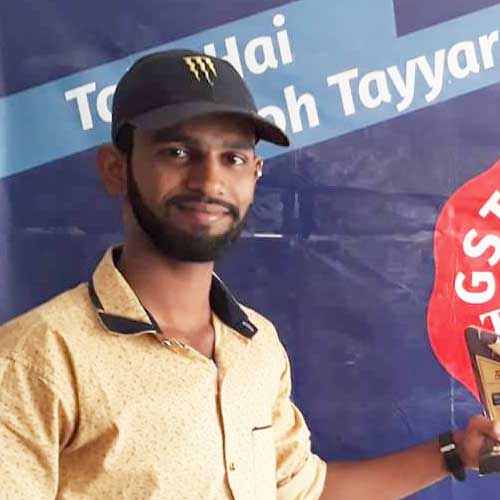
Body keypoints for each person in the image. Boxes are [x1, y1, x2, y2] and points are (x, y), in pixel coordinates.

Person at [0, 49, 498, 500]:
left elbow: (302, 491)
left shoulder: (255, 345)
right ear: (116, 169)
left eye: (232, 158)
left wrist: (456, 452)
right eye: (177, 152)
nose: (209, 180)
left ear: (255, 174)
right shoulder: (35, 360)